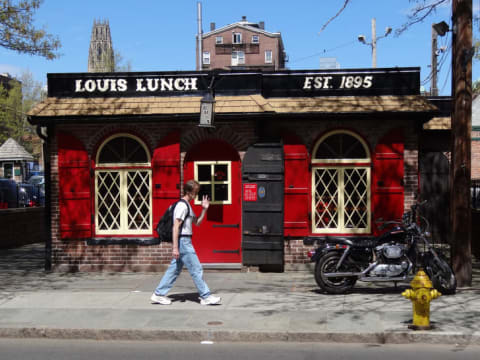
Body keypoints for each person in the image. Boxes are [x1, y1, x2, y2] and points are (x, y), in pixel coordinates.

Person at [151, 179, 221, 306]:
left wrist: (204, 209)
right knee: (196, 268)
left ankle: (158, 294)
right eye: (195, 192)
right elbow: (176, 227)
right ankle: (205, 296)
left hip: (185, 240)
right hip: (183, 241)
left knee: (174, 270)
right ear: (189, 191)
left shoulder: (187, 205)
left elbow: (197, 223)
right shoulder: (182, 206)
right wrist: (175, 248)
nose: (196, 194)